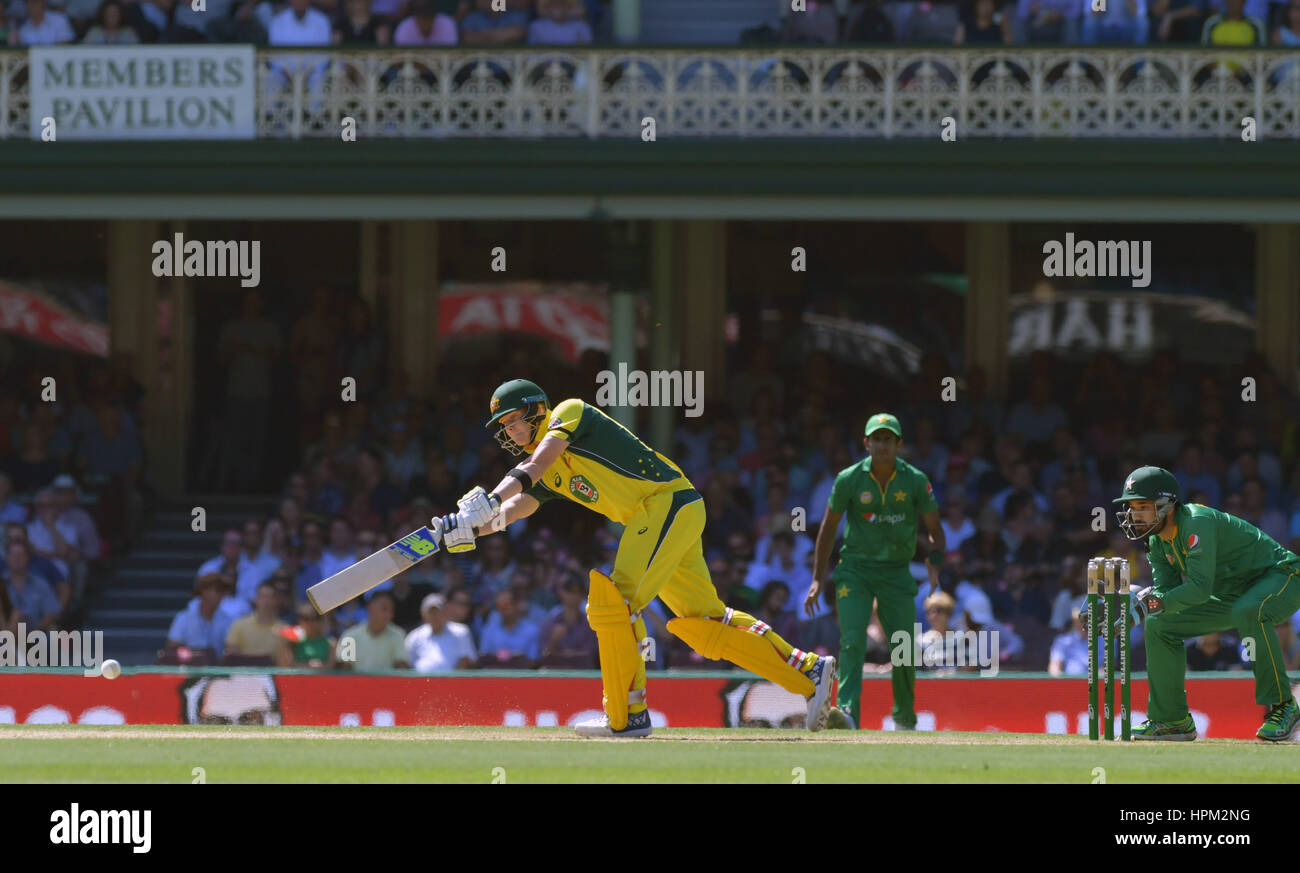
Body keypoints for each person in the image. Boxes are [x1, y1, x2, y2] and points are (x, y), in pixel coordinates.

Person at [435, 378, 836, 737]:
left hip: (664, 502)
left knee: (613, 604)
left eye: (512, 419)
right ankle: (809, 671)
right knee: (702, 623)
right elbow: (517, 508)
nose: (508, 430)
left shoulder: (568, 413)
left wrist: (488, 499)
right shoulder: (551, 473)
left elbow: (535, 465)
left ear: (536, 408)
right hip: (662, 516)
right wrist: (472, 529)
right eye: (502, 426)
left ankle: (628, 715)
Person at [1108, 466, 1300, 741]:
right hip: (1233, 595)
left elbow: (1198, 589)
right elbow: (1167, 594)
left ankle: (1283, 705)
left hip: (1282, 578)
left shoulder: (1197, 522)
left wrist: (1147, 605)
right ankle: (1172, 720)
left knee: (1248, 610)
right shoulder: (1157, 541)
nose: (1133, 515)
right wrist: (1140, 605)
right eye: (1131, 507)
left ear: (1167, 505)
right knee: (1161, 625)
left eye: (1142, 506)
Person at [805, 413, 944, 731]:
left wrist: (935, 564)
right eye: (876, 439)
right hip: (855, 570)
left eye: (888, 439)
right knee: (852, 640)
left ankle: (904, 718)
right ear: (866, 443)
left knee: (904, 644)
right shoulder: (849, 479)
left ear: (899, 444)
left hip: (897, 571)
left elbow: (935, 528)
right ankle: (849, 712)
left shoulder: (915, 480)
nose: (882, 445)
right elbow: (828, 529)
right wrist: (817, 577)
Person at [406, 593, 477, 671]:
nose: (435, 615)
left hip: (452, 682)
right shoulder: (414, 636)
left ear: (445, 612)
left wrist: (453, 681)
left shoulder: (461, 632)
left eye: (438, 611)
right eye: (431, 612)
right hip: (421, 682)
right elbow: (408, 664)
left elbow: (465, 661)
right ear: (423, 614)